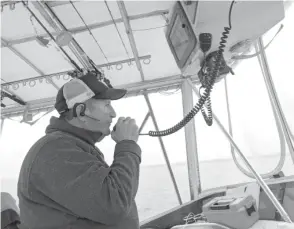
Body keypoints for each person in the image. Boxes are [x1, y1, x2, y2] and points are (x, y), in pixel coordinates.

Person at [17, 72, 141, 229]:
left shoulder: (72, 146)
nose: (113, 113)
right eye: (107, 105)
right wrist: (127, 145)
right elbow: (114, 204)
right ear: (81, 112)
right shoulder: (56, 151)